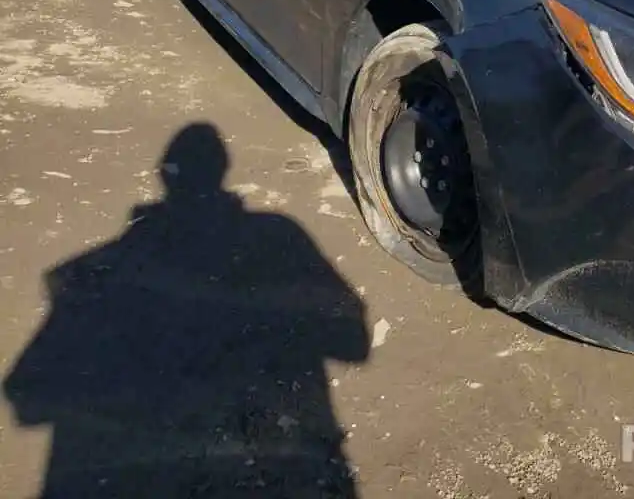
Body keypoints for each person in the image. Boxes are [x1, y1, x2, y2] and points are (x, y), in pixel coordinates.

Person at [4, 123, 370, 498]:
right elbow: (354, 343)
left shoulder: (92, 268)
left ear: (165, 174)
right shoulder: (280, 232)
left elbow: (26, 397)